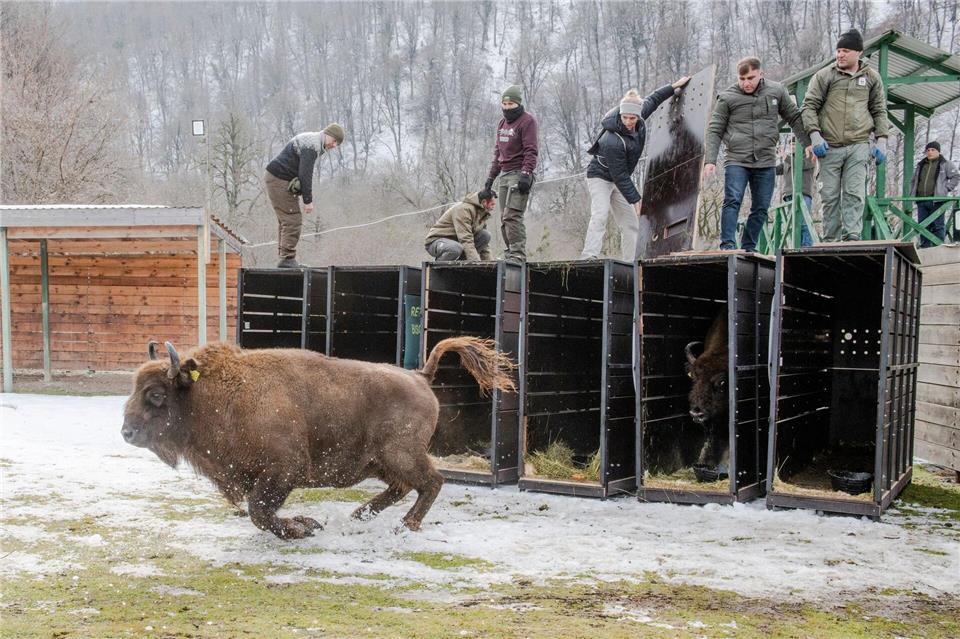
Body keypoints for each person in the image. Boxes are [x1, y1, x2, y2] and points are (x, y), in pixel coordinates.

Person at [703, 57, 810, 252]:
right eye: (742, 78)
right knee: (733, 199)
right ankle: (727, 245)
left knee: (761, 207)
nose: (746, 83)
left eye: (750, 77)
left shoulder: (776, 91)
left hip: (765, 158)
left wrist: (808, 143)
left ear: (761, 73)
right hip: (737, 158)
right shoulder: (727, 98)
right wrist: (710, 160)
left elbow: (794, 116)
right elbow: (715, 129)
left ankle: (749, 246)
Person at [580, 77, 691, 261]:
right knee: (600, 213)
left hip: (619, 180)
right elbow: (620, 176)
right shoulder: (611, 140)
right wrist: (636, 200)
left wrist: (673, 86)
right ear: (620, 115)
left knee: (631, 223)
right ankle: (589, 254)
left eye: (632, 118)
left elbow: (654, 99)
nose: (629, 122)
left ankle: (631, 261)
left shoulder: (638, 116)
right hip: (600, 177)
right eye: (625, 118)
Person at [801, 28, 890, 243]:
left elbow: (879, 109)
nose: (840, 54)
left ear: (858, 52)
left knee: (854, 192)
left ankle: (852, 236)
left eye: (846, 50)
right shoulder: (825, 76)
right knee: (829, 195)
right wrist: (814, 136)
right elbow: (809, 106)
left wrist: (882, 140)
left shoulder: (871, 78)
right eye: (838, 50)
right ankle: (831, 239)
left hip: (858, 144)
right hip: (829, 146)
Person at [264, 124, 345, 268]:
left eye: (337, 144)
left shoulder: (313, 141)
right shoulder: (312, 145)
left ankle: (285, 258)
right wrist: (308, 201)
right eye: (334, 141)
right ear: (328, 134)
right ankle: (287, 259)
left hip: (277, 177)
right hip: (279, 179)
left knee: (286, 220)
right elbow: (305, 174)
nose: (334, 145)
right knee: (292, 219)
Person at [484, 85, 539, 264]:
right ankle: (509, 252)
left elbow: (531, 150)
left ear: (518, 103)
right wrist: (490, 180)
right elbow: (497, 153)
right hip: (504, 174)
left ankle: (518, 254)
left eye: (511, 103)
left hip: (519, 173)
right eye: (505, 103)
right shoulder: (501, 123)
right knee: (503, 218)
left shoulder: (527, 121)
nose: (507, 107)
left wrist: (526, 173)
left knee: (512, 215)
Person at [910, 141, 959, 248]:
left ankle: (939, 247)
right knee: (923, 225)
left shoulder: (945, 163)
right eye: (928, 150)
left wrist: (946, 188)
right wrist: (912, 192)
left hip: (937, 201)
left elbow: (956, 177)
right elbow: (913, 180)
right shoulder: (920, 164)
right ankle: (925, 248)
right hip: (921, 200)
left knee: (938, 226)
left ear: (938, 151)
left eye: (933, 150)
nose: (930, 152)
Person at [424, 190, 496, 261]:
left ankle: (460, 266)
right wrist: (475, 262)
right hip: (436, 241)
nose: (493, 207)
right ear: (484, 202)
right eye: (492, 204)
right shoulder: (463, 210)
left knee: (485, 235)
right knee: (455, 248)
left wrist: (492, 267)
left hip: (458, 242)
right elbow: (465, 238)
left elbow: (485, 246)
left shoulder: (482, 214)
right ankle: (439, 270)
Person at [775, 146, 816, 247]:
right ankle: (796, 245)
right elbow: (775, 170)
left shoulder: (808, 156)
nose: (792, 146)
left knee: (804, 222)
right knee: (793, 223)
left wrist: (785, 157)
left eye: (794, 144)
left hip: (803, 193)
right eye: (791, 144)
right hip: (789, 194)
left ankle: (806, 246)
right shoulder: (788, 160)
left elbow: (800, 165)